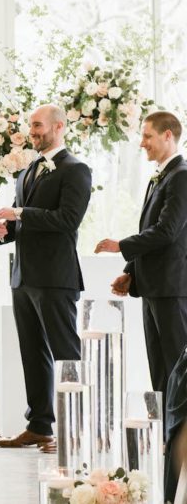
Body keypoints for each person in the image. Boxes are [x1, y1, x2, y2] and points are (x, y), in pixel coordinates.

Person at [0, 104, 92, 452]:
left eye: (37, 125)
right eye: (30, 125)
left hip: (55, 277)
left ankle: (75, 430)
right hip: (24, 276)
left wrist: (19, 213)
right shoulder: (29, 169)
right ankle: (39, 427)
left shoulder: (76, 170)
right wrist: (4, 231)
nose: (31, 131)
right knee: (32, 354)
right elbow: (25, 224)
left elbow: (67, 220)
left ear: (59, 126)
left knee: (65, 354)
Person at [96, 111, 187, 396]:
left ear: (168, 135)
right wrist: (131, 272)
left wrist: (121, 245)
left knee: (177, 368)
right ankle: (165, 437)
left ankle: (181, 438)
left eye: (148, 136)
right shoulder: (161, 176)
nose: (142, 143)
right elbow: (152, 230)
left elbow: (166, 231)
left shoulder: (181, 176)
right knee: (160, 371)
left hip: (172, 288)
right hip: (153, 287)